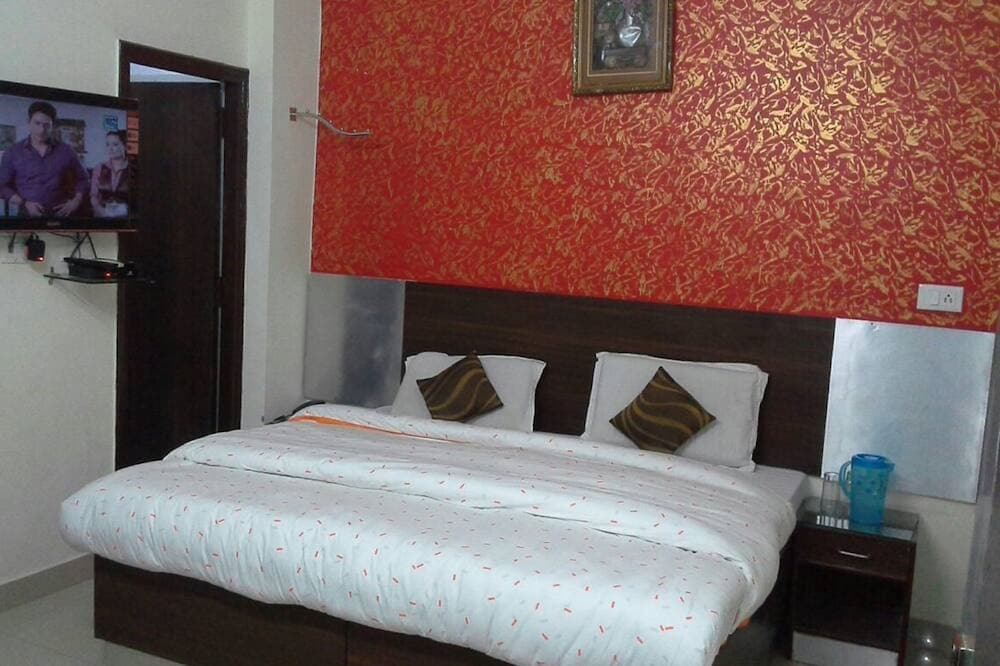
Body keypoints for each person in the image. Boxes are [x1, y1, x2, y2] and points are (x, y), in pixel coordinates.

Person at [0, 100, 89, 217]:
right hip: (27, 219)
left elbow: (83, 179)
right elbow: (3, 186)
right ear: (28, 122)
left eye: (47, 125)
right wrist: (24, 203)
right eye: (37, 123)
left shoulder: (66, 150)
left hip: (63, 218)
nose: (41, 130)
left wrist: (75, 202)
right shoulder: (13, 152)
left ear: (53, 125)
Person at [90, 130, 130, 217]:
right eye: (107, 145)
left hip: (126, 218)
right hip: (102, 216)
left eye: (115, 144)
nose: (110, 149)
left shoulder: (132, 169)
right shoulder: (99, 168)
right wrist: (102, 212)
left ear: (125, 146)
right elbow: (93, 196)